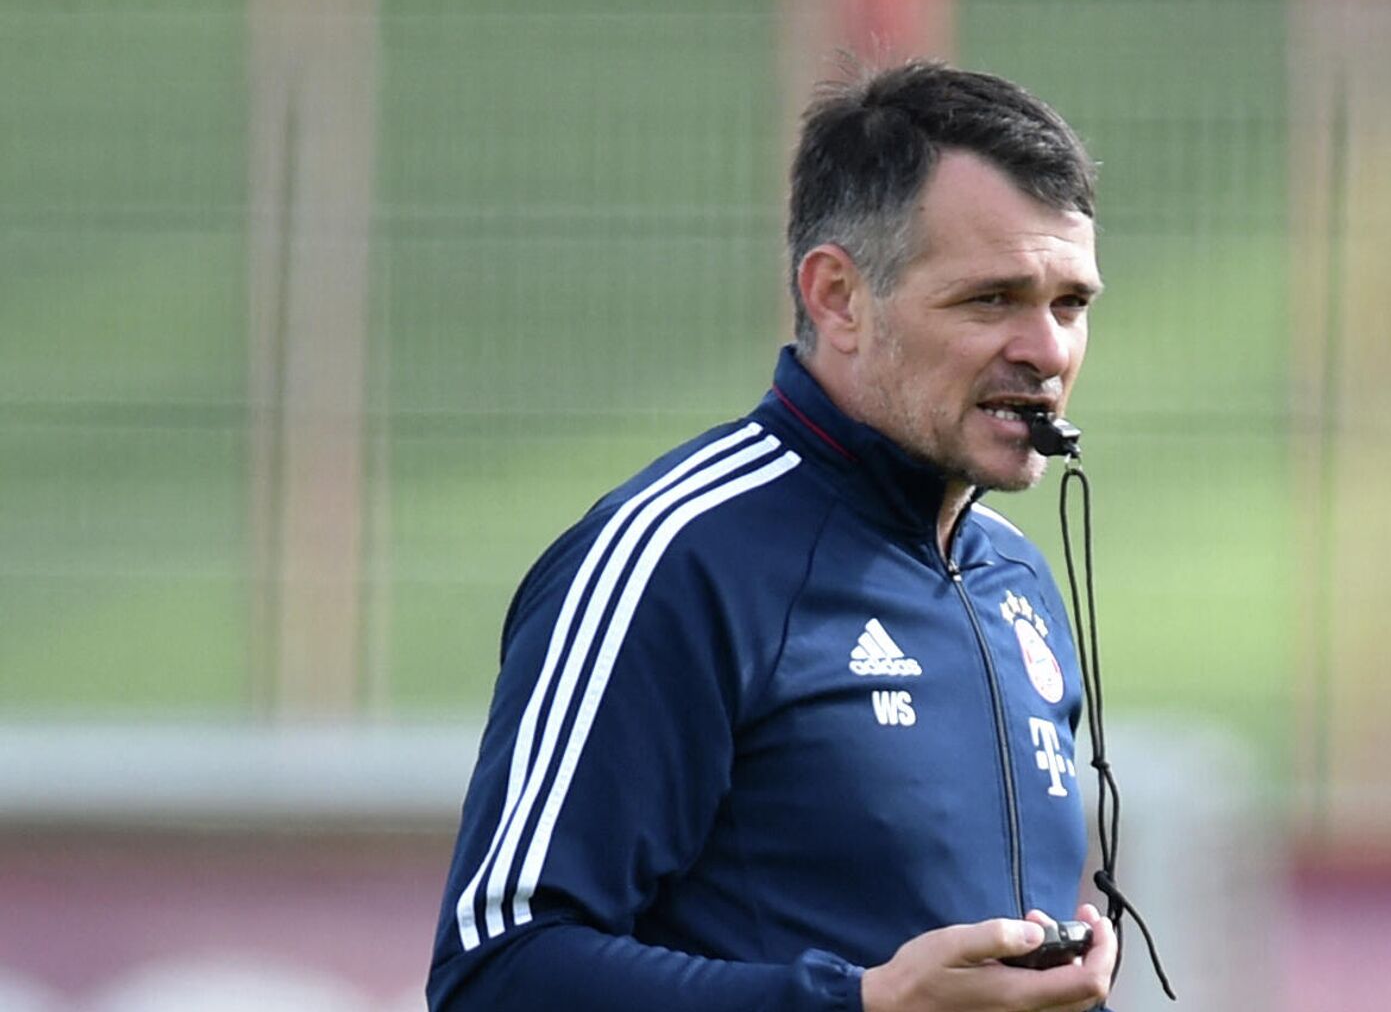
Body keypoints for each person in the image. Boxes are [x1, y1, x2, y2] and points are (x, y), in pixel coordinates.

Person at [427, 60, 1116, 1012]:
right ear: (838, 297)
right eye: (990, 300)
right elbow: (496, 974)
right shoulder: (675, 559)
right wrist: (860, 1005)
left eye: (1070, 304)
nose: (1047, 352)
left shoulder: (1017, 579)